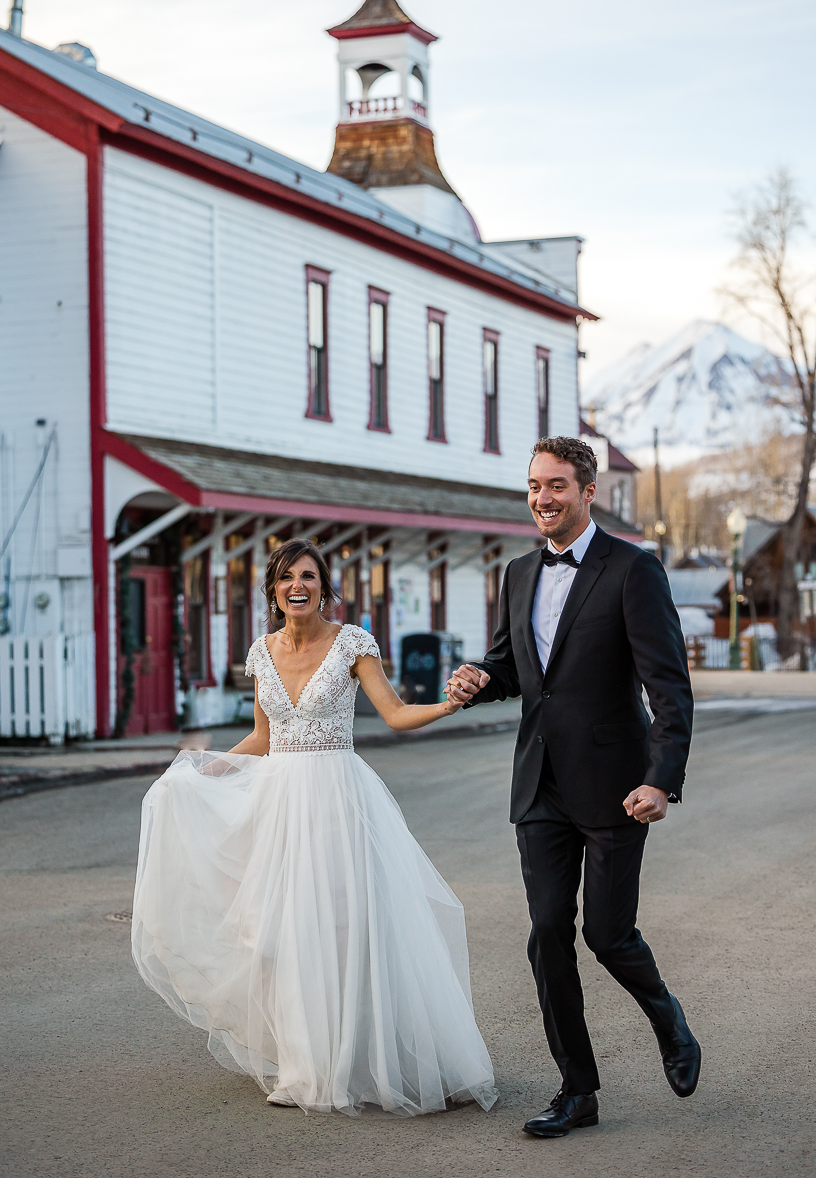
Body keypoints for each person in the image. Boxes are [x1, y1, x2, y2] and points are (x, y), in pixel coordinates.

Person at [132, 537, 497, 1117]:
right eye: (285, 577)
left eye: (307, 576)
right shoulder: (263, 651)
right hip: (279, 805)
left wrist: (449, 706)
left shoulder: (351, 643)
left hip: (338, 799)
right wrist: (201, 771)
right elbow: (263, 735)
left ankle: (359, 1062)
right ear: (274, 591)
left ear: (324, 587)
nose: (296, 586)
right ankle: (306, 1068)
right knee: (277, 935)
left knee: (346, 935)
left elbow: (396, 714)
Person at [447, 437, 700, 1139]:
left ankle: (667, 1019)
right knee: (546, 935)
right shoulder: (517, 571)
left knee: (608, 937)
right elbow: (510, 665)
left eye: (556, 485)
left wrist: (661, 779)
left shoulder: (633, 569)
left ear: (588, 492)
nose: (542, 498)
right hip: (538, 786)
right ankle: (577, 1090)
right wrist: (478, 678)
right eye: (533, 486)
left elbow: (666, 686)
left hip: (616, 786)